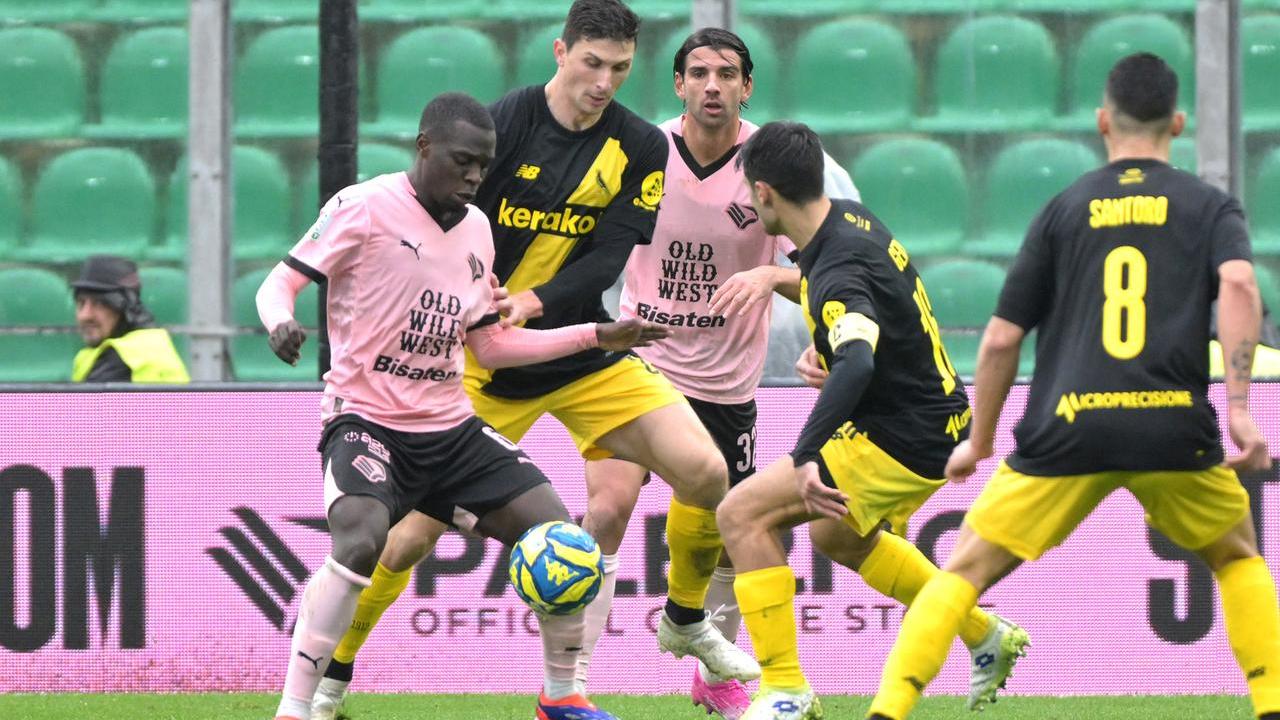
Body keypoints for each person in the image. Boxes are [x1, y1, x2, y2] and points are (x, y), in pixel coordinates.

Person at [312, 4, 759, 719]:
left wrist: (534, 301)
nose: (605, 81)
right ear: (560, 51)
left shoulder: (641, 146)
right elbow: (439, 221)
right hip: (483, 365)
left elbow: (612, 254)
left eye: (619, 68)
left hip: (578, 351)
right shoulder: (505, 125)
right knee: (402, 546)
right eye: (592, 63)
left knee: (708, 474)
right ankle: (332, 676)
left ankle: (677, 624)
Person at [864, 53, 1278, 720]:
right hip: (1171, 423)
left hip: (1069, 425)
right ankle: (1272, 704)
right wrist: (1237, 409)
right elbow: (1238, 285)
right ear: (1178, 122)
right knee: (1236, 559)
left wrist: (979, 441)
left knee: (964, 571)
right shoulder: (1208, 205)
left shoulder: (1066, 208)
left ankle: (888, 710)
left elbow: (1000, 339)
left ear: (1101, 120)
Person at [258, 92, 668, 720]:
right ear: (425, 148)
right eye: (464, 162)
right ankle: (295, 706)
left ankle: (560, 697)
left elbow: (492, 345)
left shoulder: (478, 229)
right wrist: (280, 320)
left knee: (561, 538)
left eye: (484, 166)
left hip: (450, 429)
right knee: (363, 541)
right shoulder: (362, 206)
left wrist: (595, 335)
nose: (476, 178)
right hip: (367, 422)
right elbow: (279, 281)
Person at [568, 27, 861, 719]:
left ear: (746, 87)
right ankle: (571, 681)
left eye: (726, 74)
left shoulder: (775, 164)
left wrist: (781, 287)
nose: (711, 86)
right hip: (639, 370)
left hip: (727, 387)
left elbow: (832, 266)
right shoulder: (641, 153)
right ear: (677, 85)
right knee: (607, 510)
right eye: (697, 73)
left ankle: (714, 675)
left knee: (741, 531)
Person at [713, 121, 1030, 720]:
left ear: (765, 194)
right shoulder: (851, 221)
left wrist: (807, 452)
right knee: (836, 535)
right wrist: (801, 312)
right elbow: (854, 315)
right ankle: (984, 633)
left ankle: (785, 690)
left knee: (742, 513)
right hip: (932, 421)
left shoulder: (834, 269)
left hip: (901, 436)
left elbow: (856, 357)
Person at [70, 255, 190, 383]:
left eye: (99, 304)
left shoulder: (123, 359)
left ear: (124, 308)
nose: (85, 315)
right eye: (81, 303)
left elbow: (81, 403)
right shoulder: (151, 343)